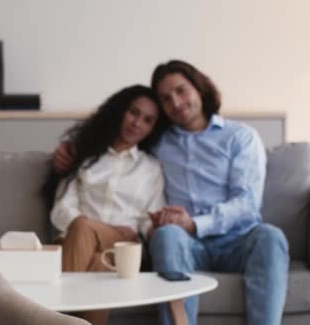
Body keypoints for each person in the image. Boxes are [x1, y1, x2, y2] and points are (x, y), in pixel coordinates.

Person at [53, 60, 289, 325]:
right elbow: (112, 145)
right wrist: (71, 148)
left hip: (237, 239)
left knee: (270, 236)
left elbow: (247, 204)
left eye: (181, 91)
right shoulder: (158, 142)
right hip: (185, 243)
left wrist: (194, 223)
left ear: (199, 88)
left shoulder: (240, 137)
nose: (175, 103)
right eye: (166, 99)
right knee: (167, 236)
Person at [43, 85, 168, 325]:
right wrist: (89, 227)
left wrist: (147, 229)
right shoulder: (85, 156)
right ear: (121, 111)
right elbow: (62, 208)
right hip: (77, 241)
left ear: (153, 128)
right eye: (134, 112)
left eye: (148, 120)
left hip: (122, 243)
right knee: (98, 262)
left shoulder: (150, 168)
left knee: (83, 228)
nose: (137, 123)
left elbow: (147, 220)